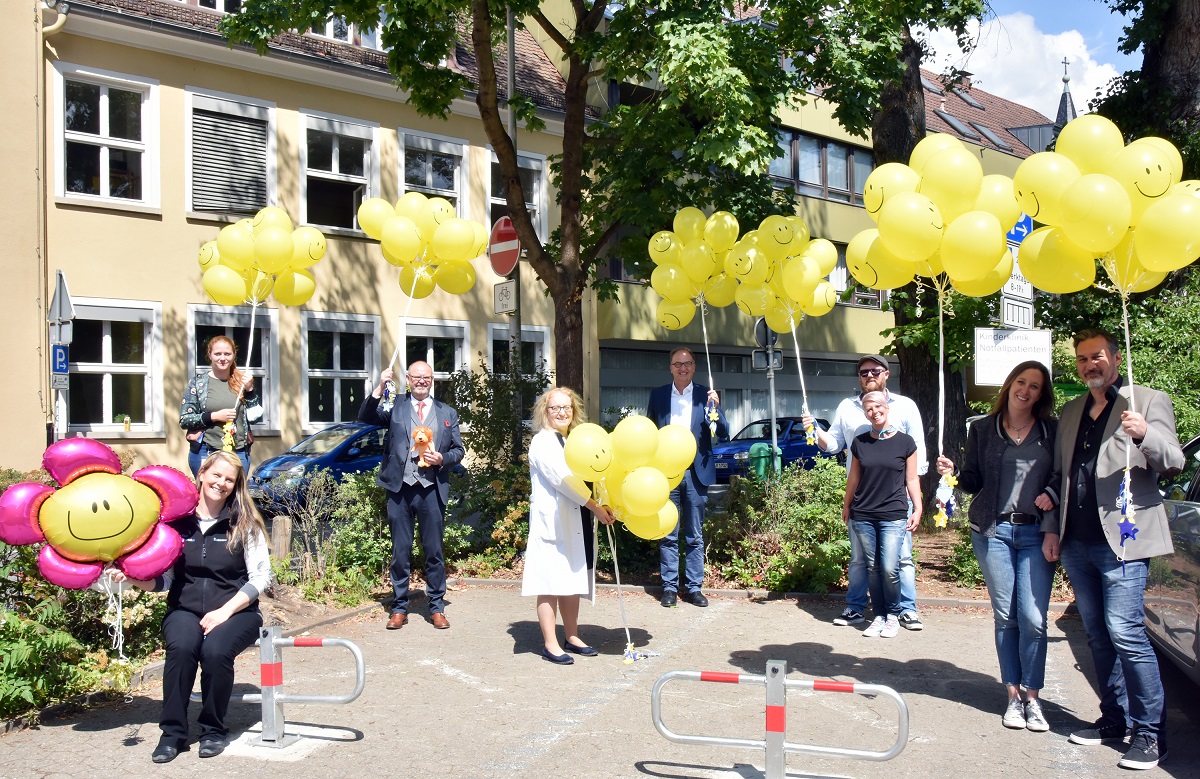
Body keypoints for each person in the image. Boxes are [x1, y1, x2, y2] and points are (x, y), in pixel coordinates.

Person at [1044, 329, 1183, 770]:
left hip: (1124, 539)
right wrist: (1052, 527)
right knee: (1099, 636)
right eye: (1083, 359)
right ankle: (1113, 720)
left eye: (1097, 356)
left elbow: (1174, 461)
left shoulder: (1146, 401)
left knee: (1126, 632)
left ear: (1115, 357)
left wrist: (1144, 435)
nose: (1090, 365)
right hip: (1077, 542)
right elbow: (1058, 476)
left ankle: (1149, 733)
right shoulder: (1070, 413)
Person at [113, 450, 272, 763]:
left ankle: (213, 729)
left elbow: (261, 578)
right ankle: (172, 734)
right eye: (216, 475)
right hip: (184, 610)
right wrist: (131, 578)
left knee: (214, 652)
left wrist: (225, 611)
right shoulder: (175, 524)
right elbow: (165, 581)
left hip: (237, 612)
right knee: (183, 648)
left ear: (235, 485)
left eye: (229, 479)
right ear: (202, 473)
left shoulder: (243, 524)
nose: (221, 483)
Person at [935, 361, 1058, 732]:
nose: (1026, 390)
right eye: (1021, 382)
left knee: (1034, 619)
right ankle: (1013, 697)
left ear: (1042, 394)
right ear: (1009, 385)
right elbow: (974, 480)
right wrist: (952, 473)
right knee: (1006, 616)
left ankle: (1032, 698)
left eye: (1035, 386)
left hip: (1037, 533)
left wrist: (1051, 493)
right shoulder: (983, 428)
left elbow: (1062, 474)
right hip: (993, 532)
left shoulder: (1051, 430)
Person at [803, 354, 927, 630]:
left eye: (875, 371)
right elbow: (833, 444)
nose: (869, 375)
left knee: (900, 558)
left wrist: (914, 498)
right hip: (862, 500)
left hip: (897, 499)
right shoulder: (846, 407)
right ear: (859, 377)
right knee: (860, 559)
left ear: (886, 374)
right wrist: (815, 429)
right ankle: (856, 607)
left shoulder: (906, 406)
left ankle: (906, 609)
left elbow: (917, 449)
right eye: (863, 372)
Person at [359, 360, 464, 630]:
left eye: (426, 378)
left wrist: (442, 458)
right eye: (417, 377)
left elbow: (458, 451)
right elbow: (366, 417)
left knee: (434, 551)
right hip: (400, 489)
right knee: (400, 551)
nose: (421, 381)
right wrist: (380, 386)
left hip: (431, 489)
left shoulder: (447, 412)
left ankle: (437, 607)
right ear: (408, 379)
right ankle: (399, 607)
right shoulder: (396, 406)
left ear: (432, 380)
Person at [521, 387, 616, 664]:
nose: (562, 413)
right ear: (545, 412)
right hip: (554, 522)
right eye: (555, 408)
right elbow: (565, 481)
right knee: (550, 582)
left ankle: (571, 636)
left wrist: (604, 500)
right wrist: (596, 508)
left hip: (577, 518)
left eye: (567, 408)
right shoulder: (542, 442)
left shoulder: (574, 440)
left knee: (572, 580)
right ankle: (550, 644)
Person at [645, 347, 728, 608]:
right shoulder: (658, 395)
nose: (683, 368)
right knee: (668, 532)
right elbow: (648, 431)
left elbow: (723, 432)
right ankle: (669, 588)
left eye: (688, 363)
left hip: (696, 472)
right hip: (666, 473)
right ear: (670, 367)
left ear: (694, 367)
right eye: (677, 364)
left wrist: (716, 407)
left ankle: (694, 588)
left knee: (694, 535)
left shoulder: (707, 395)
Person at [841, 391, 922, 639]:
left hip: (894, 513)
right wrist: (846, 506)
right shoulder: (860, 442)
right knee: (873, 567)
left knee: (889, 567)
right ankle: (878, 615)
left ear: (887, 408)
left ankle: (894, 615)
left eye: (877, 407)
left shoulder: (906, 442)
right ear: (865, 414)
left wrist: (918, 508)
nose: (874, 412)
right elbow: (854, 477)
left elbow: (911, 478)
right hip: (863, 512)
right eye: (868, 409)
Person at [180, 335, 262, 477]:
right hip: (206, 451)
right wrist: (214, 416)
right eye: (217, 354)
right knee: (209, 495)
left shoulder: (242, 382)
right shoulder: (198, 384)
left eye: (227, 354)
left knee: (235, 497)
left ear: (234, 355)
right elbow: (185, 420)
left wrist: (250, 390)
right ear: (209, 355)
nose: (222, 358)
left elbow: (254, 418)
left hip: (239, 452)